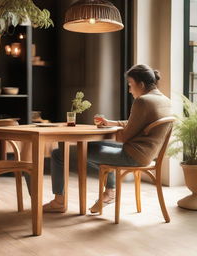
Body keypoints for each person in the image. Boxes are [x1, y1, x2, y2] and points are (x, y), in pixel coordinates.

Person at [43, 64, 172, 213]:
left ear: (141, 84)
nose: (129, 90)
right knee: (96, 144)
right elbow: (134, 123)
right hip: (146, 153)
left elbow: (123, 137)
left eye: (130, 85)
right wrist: (110, 123)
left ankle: (59, 202)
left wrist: (107, 129)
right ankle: (110, 192)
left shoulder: (142, 101)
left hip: (133, 155)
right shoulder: (163, 100)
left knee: (59, 154)